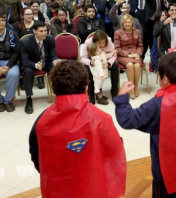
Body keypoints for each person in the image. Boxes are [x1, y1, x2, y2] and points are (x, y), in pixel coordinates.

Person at [114, 52, 176, 197]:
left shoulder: (158, 105)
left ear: (164, 79)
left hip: (165, 170)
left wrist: (122, 97)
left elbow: (128, 119)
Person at [29, 60, 126, 198]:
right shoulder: (102, 119)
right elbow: (115, 154)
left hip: (56, 190)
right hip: (92, 188)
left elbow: (36, 156)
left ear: (54, 87)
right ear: (86, 87)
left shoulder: (41, 121)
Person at [20, 22, 60, 114]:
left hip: (46, 62)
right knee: (28, 71)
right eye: (41, 31)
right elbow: (24, 60)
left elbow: (53, 54)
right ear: (34, 31)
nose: (44, 33)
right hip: (31, 63)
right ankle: (29, 99)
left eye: (45, 30)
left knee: (56, 69)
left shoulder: (50, 39)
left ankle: (59, 95)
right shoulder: (25, 42)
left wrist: (55, 60)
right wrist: (35, 65)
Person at [81, 30, 119, 103]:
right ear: (94, 42)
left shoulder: (109, 40)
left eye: (104, 42)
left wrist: (108, 63)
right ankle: (91, 95)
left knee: (115, 66)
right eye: (99, 43)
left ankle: (114, 93)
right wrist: (90, 63)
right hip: (93, 61)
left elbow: (113, 55)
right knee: (88, 71)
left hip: (105, 59)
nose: (102, 44)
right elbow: (83, 57)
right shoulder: (88, 42)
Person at [114, 14, 143, 99]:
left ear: (132, 23)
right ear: (123, 23)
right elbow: (117, 48)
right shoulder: (117, 33)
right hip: (122, 55)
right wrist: (128, 55)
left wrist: (137, 53)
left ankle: (136, 86)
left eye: (129, 22)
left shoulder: (137, 32)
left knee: (137, 65)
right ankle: (130, 88)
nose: (127, 24)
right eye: (126, 22)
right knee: (130, 65)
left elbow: (140, 46)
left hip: (135, 54)